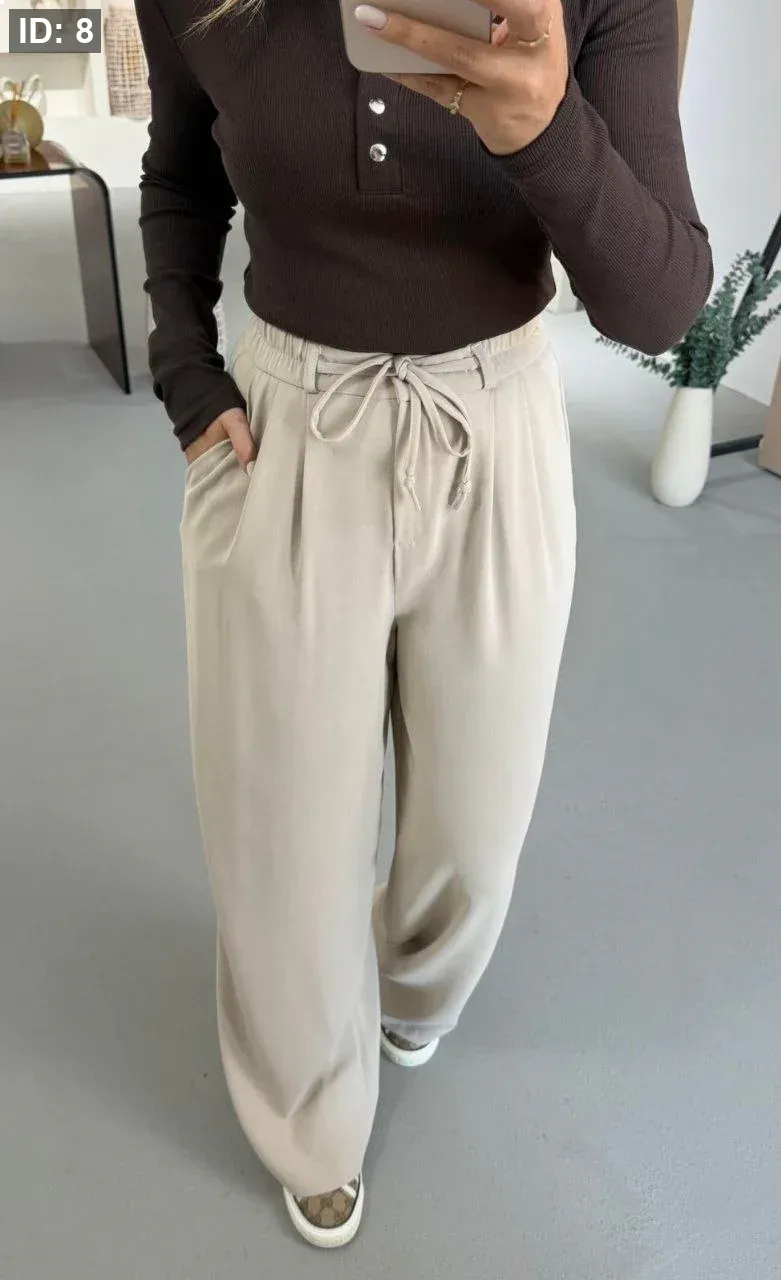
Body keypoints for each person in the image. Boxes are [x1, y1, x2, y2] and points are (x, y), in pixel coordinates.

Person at [135, 0, 711, 1249]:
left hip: (495, 422)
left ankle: (413, 988)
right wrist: (186, 365)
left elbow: (662, 305)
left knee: (473, 827)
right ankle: (309, 1120)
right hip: (284, 425)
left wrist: (546, 129)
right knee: (281, 837)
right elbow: (179, 168)